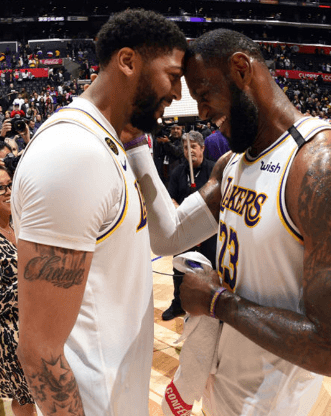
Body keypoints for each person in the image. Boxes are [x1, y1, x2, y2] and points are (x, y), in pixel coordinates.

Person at [126, 28, 331, 415]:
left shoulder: (324, 170)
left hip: (271, 402)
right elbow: (169, 235)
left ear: (241, 69)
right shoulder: (231, 164)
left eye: (205, 95)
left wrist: (218, 302)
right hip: (222, 379)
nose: (202, 113)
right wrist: (136, 146)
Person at [12, 9, 187, 415]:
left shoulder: (106, 142)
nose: (179, 94)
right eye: (173, 76)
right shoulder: (74, 154)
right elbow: (38, 351)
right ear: (127, 62)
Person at [161, 130, 217, 321]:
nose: (189, 150)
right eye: (185, 147)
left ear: (202, 148)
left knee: (211, 268)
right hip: (185, 231)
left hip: (209, 231)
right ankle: (178, 304)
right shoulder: (178, 172)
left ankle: (213, 305)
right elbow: (171, 198)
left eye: (193, 146)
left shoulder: (214, 170)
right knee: (179, 268)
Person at [0, 166, 36, 416]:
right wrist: (32, 281)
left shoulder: (18, 222)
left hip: (34, 323)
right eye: (0, 188)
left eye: (9, 184)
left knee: (34, 392)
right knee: (24, 397)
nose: (8, 192)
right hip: (9, 335)